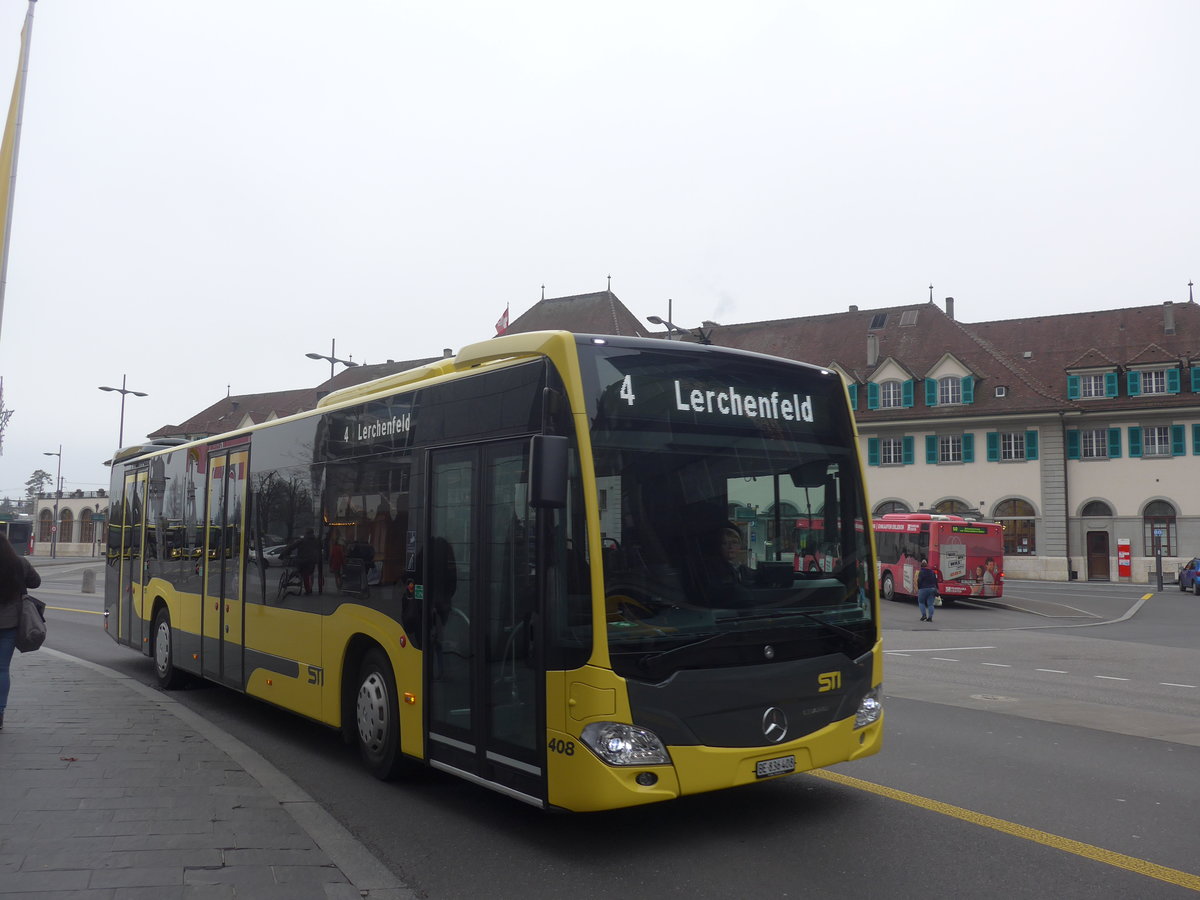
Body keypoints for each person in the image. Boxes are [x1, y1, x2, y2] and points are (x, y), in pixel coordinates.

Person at [0, 534, 42, 730]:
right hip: (10, 624)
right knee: (2, 670)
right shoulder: (19, 563)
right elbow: (35, 582)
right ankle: (0, 714)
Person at [286, 528, 320, 595]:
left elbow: (291, 547)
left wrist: (284, 553)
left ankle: (305, 588)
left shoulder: (302, 540)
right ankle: (310, 588)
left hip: (302, 561)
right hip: (312, 561)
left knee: (303, 573)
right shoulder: (316, 541)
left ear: (306, 533)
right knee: (310, 574)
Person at [916, 557, 938, 622]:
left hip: (923, 589)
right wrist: (937, 589)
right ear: (927, 565)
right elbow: (935, 581)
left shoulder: (921, 572)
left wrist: (919, 588)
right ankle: (930, 618)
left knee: (921, 602)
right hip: (932, 589)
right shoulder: (932, 572)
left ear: (921, 566)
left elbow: (919, 581)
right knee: (930, 604)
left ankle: (924, 615)